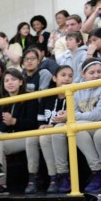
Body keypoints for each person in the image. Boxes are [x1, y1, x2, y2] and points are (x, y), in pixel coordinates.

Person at [0, 68, 39, 195]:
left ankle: (33, 179)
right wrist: (7, 123)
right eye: (6, 80)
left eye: (13, 79)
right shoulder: (3, 102)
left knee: (28, 139)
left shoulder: (30, 98)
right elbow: (1, 128)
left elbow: (33, 124)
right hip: (10, 138)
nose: (10, 83)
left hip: (27, 136)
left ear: (21, 82)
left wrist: (14, 122)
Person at [74, 58, 101, 193]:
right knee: (76, 130)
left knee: (83, 129)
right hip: (87, 125)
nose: (96, 75)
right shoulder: (76, 88)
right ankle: (97, 170)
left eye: (99, 71)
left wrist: (76, 117)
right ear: (83, 75)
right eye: (91, 73)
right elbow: (72, 111)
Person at [34, 65, 74, 193]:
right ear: (54, 78)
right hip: (51, 131)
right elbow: (40, 119)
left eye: (70, 76)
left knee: (55, 132)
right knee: (44, 136)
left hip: (67, 131)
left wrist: (53, 126)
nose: (67, 78)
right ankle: (53, 177)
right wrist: (43, 126)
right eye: (63, 75)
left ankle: (63, 174)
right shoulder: (47, 95)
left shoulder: (74, 94)